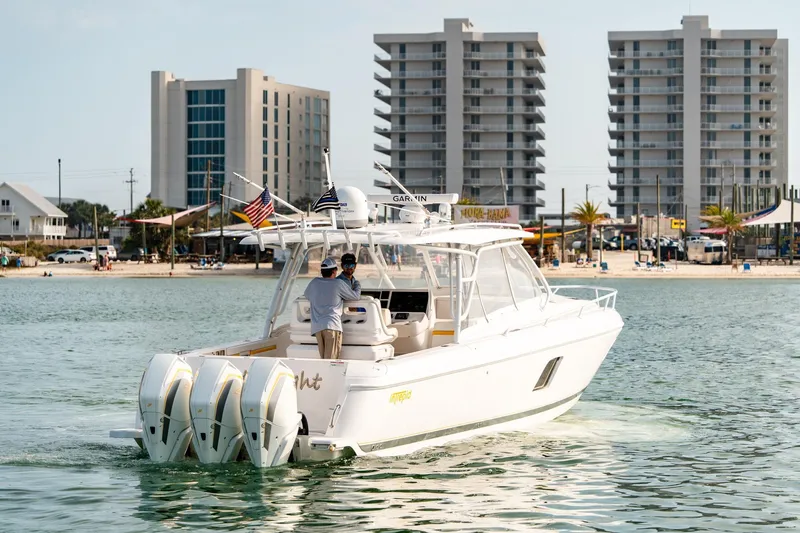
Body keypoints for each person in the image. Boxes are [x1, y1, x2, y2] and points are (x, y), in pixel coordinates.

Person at [303, 257, 361, 360]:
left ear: (322, 272)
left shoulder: (314, 283)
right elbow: (355, 296)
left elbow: (307, 295)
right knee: (331, 361)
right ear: (334, 271)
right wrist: (357, 284)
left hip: (317, 328)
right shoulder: (338, 284)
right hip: (332, 326)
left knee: (324, 360)